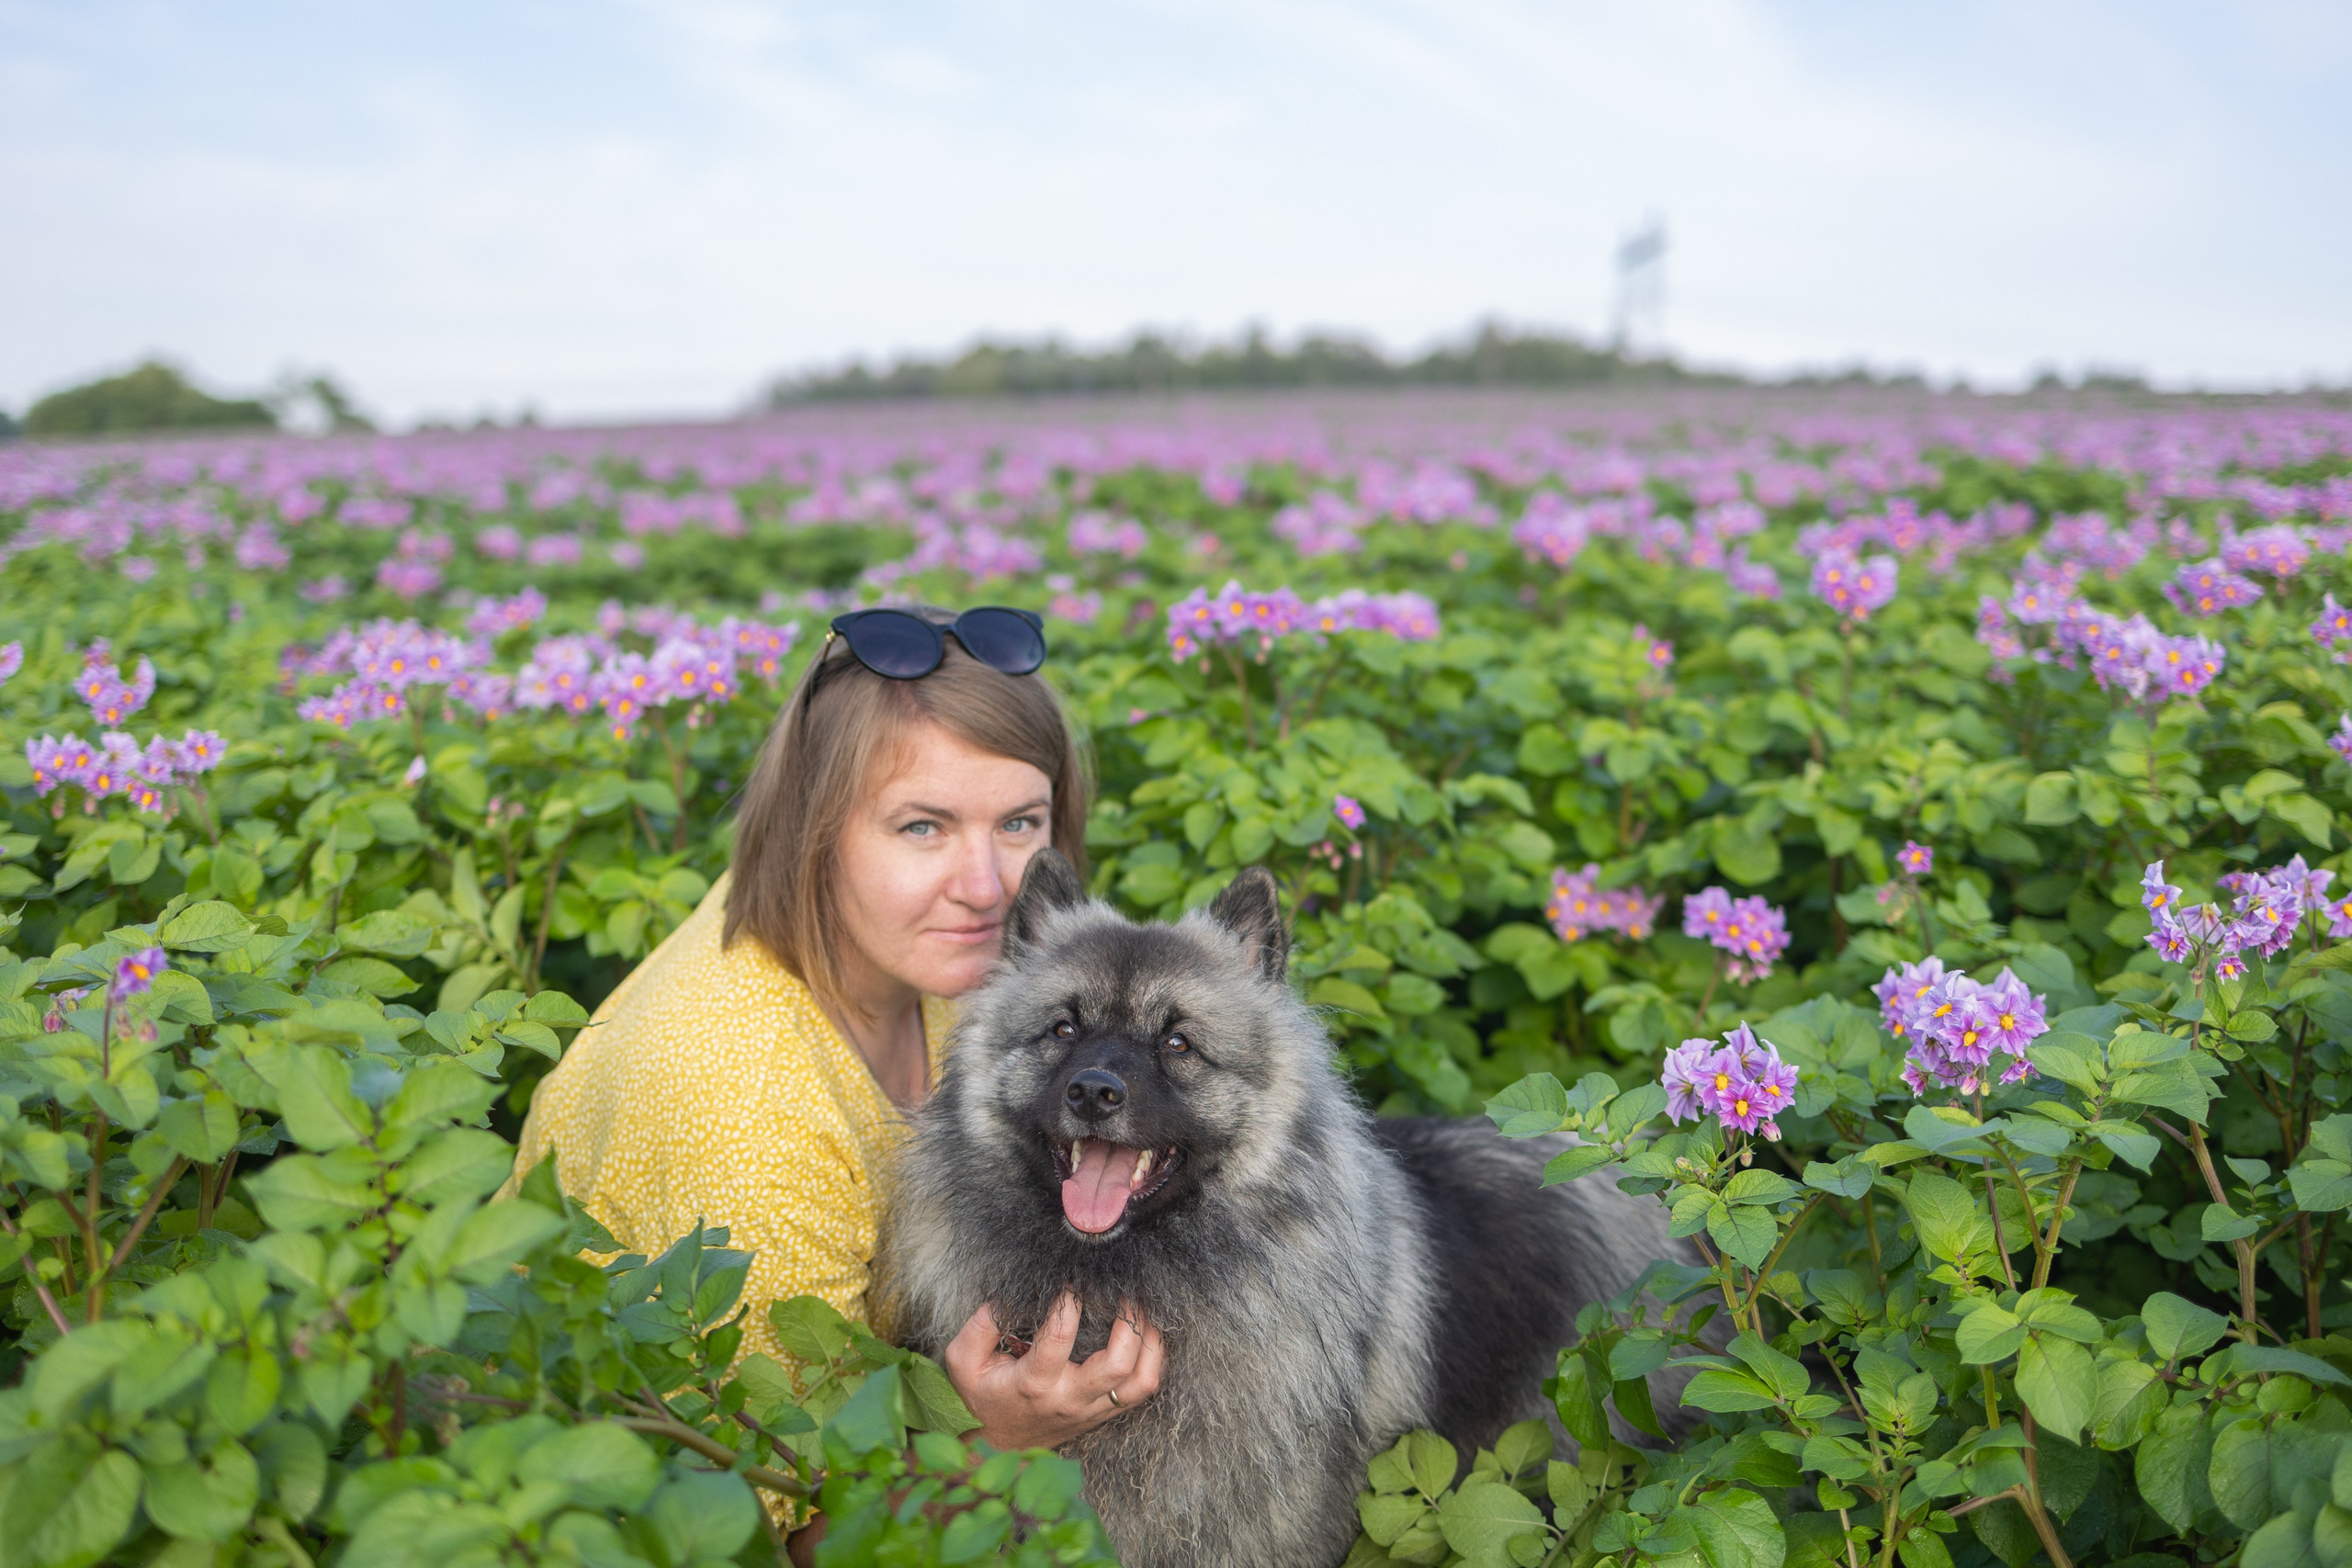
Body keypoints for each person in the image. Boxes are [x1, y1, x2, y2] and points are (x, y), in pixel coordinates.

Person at [504, 604, 1164, 1532]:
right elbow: (775, 1527)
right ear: (814, 830)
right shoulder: (746, 1115)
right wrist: (997, 1434)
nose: (987, 887)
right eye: (922, 828)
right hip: (590, 1516)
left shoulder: (909, 943)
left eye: (1019, 822)